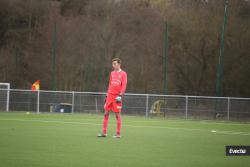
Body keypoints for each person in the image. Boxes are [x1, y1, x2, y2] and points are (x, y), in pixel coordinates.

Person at [97, 58, 127, 138]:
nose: (113, 65)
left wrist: (120, 95)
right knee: (106, 113)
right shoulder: (112, 73)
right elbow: (110, 84)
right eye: (113, 64)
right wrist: (107, 95)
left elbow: (124, 85)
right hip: (110, 96)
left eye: (115, 64)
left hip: (117, 96)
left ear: (119, 64)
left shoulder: (123, 74)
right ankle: (104, 133)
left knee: (117, 115)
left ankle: (118, 134)